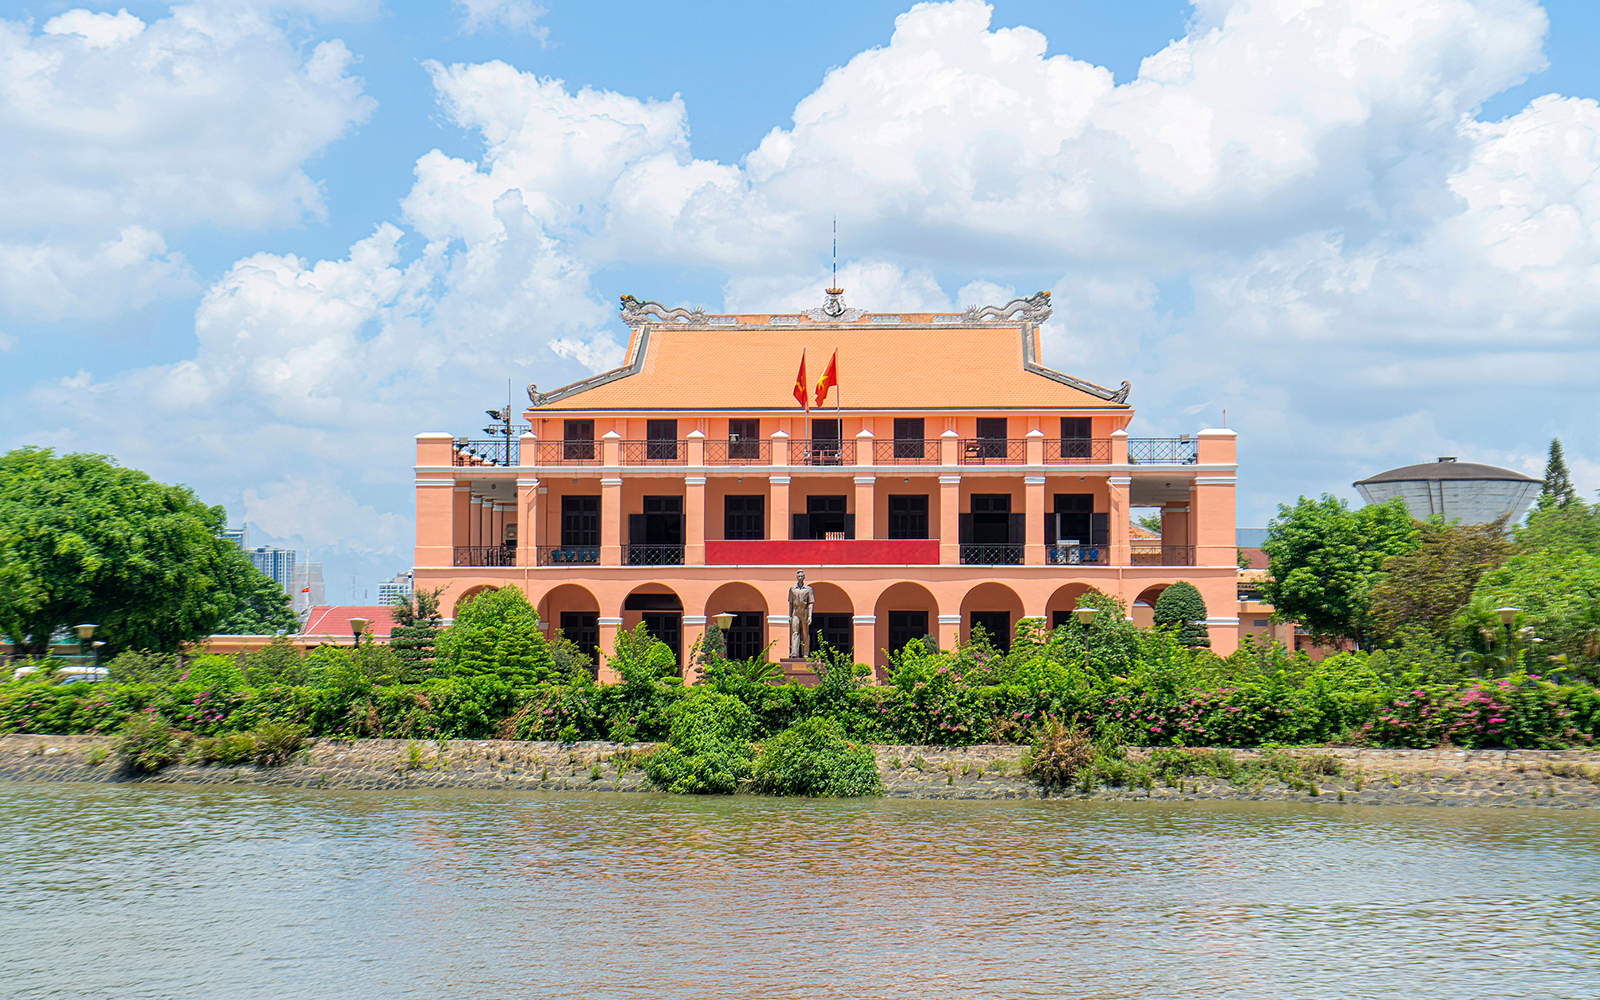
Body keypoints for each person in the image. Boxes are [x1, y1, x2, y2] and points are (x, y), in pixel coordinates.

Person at [787, 569, 814, 658]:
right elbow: (790, 603)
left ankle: (805, 653)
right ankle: (794, 652)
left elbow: (810, 603)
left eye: (802, 576)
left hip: (804, 612)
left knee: (805, 633)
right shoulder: (792, 589)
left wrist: (810, 616)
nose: (800, 578)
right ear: (796, 577)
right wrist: (790, 615)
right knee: (795, 632)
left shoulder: (808, 589)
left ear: (804, 577)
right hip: (795, 612)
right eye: (798, 576)